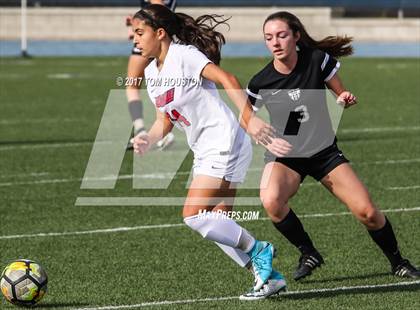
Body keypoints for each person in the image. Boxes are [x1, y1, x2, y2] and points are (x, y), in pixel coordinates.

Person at [246, 11, 420, 281]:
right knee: (271, 200)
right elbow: (246, 117)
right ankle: (308, 252)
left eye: (281, 35)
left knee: (368, 212)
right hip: (287, 158)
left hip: (323, 152)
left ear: (296, 36)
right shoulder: (261, 81)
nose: (275, 43)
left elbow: (341, 93)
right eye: (269, 38)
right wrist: (259, 131)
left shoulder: (317, 60)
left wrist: (344, 98)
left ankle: (398, 261)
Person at [130, 4, 288, 299]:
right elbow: (163, 120)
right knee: (218, 221)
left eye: (140, 33)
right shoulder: (151, 73)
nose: (135, 40)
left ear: (160, 33)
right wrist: (147, 139)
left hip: (223, 141)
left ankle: (260, 250)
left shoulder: (185, 55)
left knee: (194, 215)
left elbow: (228, 80)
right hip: (206, 148)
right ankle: (270, 280)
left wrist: (249, 119)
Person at [125, 0, 176, 150]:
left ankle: (143, 130)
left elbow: (158, 10)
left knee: (132, 86)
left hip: (154, 40)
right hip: (162, 38)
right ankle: (159, 132)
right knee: (161, 84)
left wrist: (142, 29)